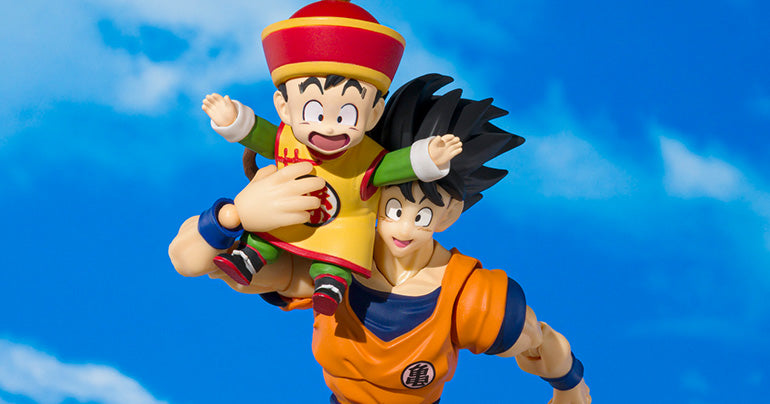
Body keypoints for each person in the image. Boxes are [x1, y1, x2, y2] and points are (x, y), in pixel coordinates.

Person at [169, 74, 591, 403]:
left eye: (423, 214)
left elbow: (536, 340)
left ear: (450, 213)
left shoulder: (471, 298)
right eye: (393, 208)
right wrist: (233, 215)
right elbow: (192, 261)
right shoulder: (330, 262)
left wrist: (569, 386)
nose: (404, 228)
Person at [202, 0, 462, 316]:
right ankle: (248, 258)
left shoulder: (368, 158)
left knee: (338, 258)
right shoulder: (286, 139)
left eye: (347, 114)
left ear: (373, 114)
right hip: (288, 217)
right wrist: (234, 120)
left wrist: (428, 157)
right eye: (314, 111)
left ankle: (330, 284)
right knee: (265, 233)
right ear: (284, 108)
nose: (329, 126)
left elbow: (397, 166)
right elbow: (258, 134)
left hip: (343, 227)